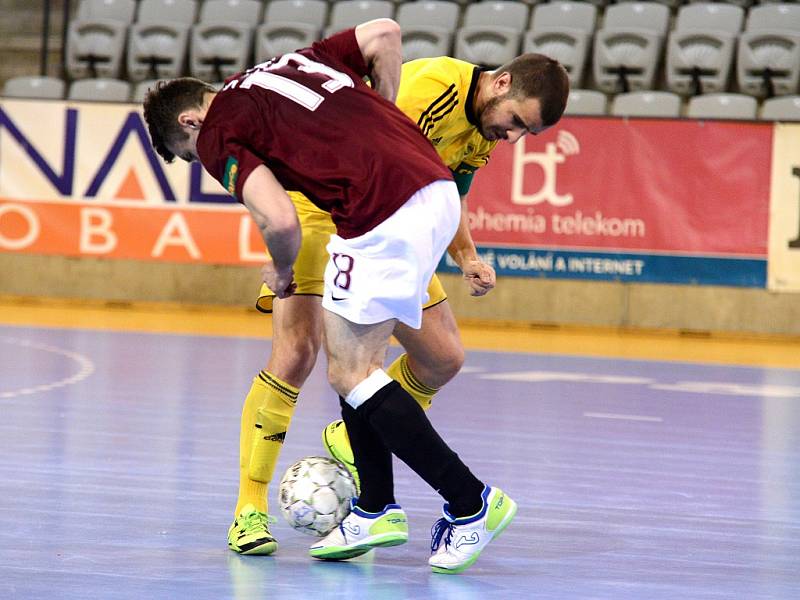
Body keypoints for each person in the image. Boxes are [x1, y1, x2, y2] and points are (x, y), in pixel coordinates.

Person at [144, 19, 564, 573]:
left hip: (372, 211)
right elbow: (385, 32)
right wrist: (385, 114)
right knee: (350, 361)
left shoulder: (220, 127)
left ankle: (470, 503)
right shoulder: (292, 63)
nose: (203, 158)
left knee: (352, 372)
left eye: (192, 152)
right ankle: (367, 506)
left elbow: (279, 218)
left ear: (192, 120)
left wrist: (281, 270)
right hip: (416, 200)